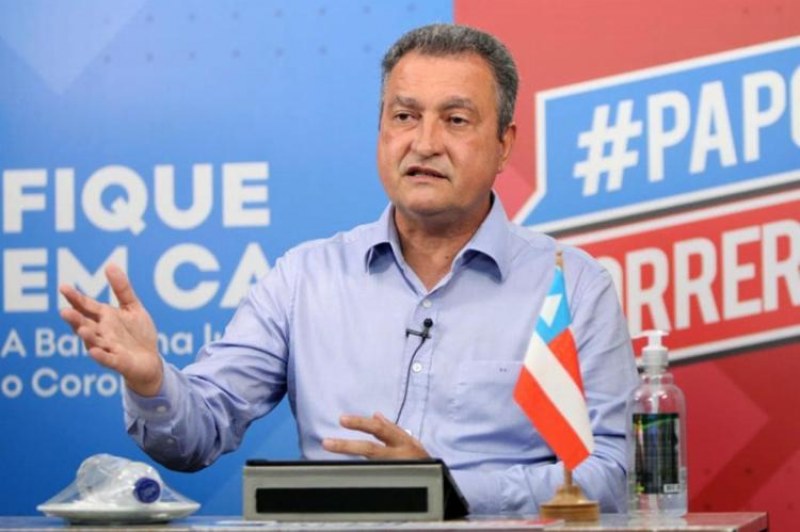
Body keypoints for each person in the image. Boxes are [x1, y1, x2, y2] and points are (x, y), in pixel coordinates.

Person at [60, 23, 638, 515]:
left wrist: (448, 490)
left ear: (504, 143)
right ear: (381, 129)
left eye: (456, 120)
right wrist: (151, 381)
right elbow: (198, 436)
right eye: (405, 115)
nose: (425, 143)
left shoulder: (571, 285)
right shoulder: (304, 278)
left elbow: (611, 474)